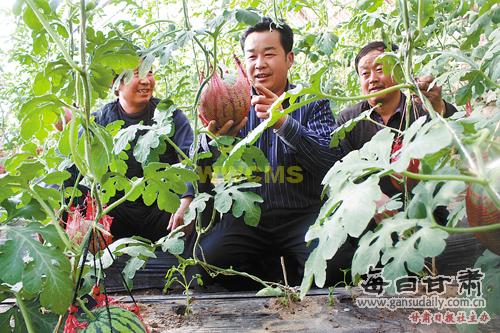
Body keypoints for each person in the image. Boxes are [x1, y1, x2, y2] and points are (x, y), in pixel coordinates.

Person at [193, 17, 353, 289]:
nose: (259, 63)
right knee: (208, 259)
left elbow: (329, 161)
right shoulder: (229, 103)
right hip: (247, 220)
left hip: (303, 215)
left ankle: (290, 269)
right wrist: (215, 143)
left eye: (269, 54)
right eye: (251, 56)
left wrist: (283, 123)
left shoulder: (312, 102)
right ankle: (267, 278)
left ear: (289, 58)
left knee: (337, 262)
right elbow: (202, 172)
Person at [66, 67, 195, 242]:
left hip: (164, 217)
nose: (145, 80)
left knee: (204, 192)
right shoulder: (97, 123)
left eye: (149, 73)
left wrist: (187, 200)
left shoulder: (170, 115)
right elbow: (68, 170)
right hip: (114, 219)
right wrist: (54, 212)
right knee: (77, 193)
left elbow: (193, 159)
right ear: (116, 85)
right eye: (137, 74)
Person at [337, 41, 457, 224]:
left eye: (379, 69)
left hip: (428, 213)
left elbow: (457, 135)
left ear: (399, 72)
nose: (372, 79)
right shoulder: (348, 121)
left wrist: (439, 107)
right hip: (371, 220)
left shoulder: (423, 107)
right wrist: (370, 196)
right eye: (365, 74)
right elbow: (343, 175)